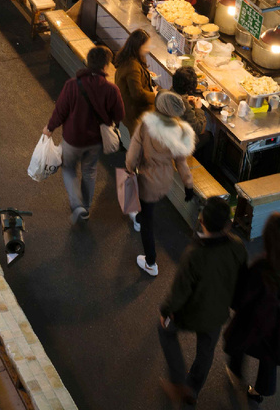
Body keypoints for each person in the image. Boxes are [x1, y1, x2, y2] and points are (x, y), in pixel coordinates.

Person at [159, 196, 247, 404]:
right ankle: (193, 389)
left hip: (190, 314)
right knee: (206, 351)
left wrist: (165, 310)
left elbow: (179, 291)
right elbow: (242, 280)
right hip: (217, 314)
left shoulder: (195, 254)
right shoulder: (237, 246)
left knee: (165, 330)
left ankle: (178, 380)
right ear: (228, 224)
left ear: (201, 221)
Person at [224, 212, 280, 402]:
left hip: (254, 318)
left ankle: (235, 371)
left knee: (238, 341)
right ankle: (260, 391)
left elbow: (241, 298)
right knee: (269, 357)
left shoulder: (261, 266)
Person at [45, 44, 124, 223]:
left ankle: (77, 204)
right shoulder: (112, 90)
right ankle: (86, 207)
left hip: (72, 139)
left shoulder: (72, 85)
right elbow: (119, 115)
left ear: (88, 63)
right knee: (89, 171)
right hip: (94, 141)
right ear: (105, 66)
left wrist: (50, 128)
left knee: (68, 169)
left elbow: (61, 110)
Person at [126, 91, 196, 277]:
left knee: (148, 222)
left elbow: (133, 155)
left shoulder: (145, 126)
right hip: (165, 179)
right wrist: (188, 185)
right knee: (148, 207)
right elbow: (181, 162)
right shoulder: (179, 130)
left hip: (148, 179)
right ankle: (139, 218)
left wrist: (130, 168)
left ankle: (151, 263)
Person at [114, 29, 156, 134]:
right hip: (134, 114)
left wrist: (146, 74)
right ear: (138, 47)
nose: (148, 50)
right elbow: (138, 94)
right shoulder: (133, 66)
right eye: (146, 46)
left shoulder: (128, 57)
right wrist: (154, 95)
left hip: (129, 107)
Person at [171, 66, 209, 158]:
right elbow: (199, 129)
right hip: (177, 144)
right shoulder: (184, 105)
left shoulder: (170, 91)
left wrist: (185, 98)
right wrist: (198, 108)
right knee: (208, 136)